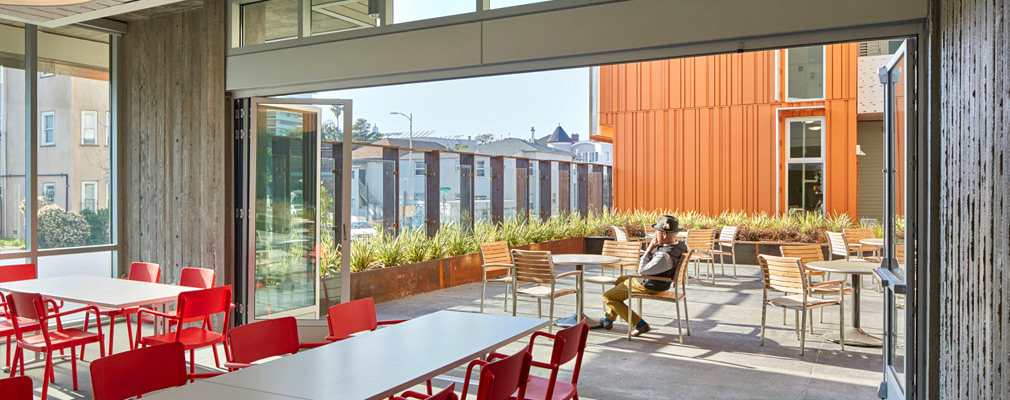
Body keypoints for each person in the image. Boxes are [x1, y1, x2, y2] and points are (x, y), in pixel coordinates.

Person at [594, 215, 689, 336]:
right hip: (662, 282)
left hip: (650, 285)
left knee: (608, 297)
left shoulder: (664, 256)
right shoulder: (681, 245)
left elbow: (641, 270)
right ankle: (608, 320)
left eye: (656, 231)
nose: (655, 234)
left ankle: (640, 324)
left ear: (664, 235)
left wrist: (649, 249)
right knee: (620, 280)